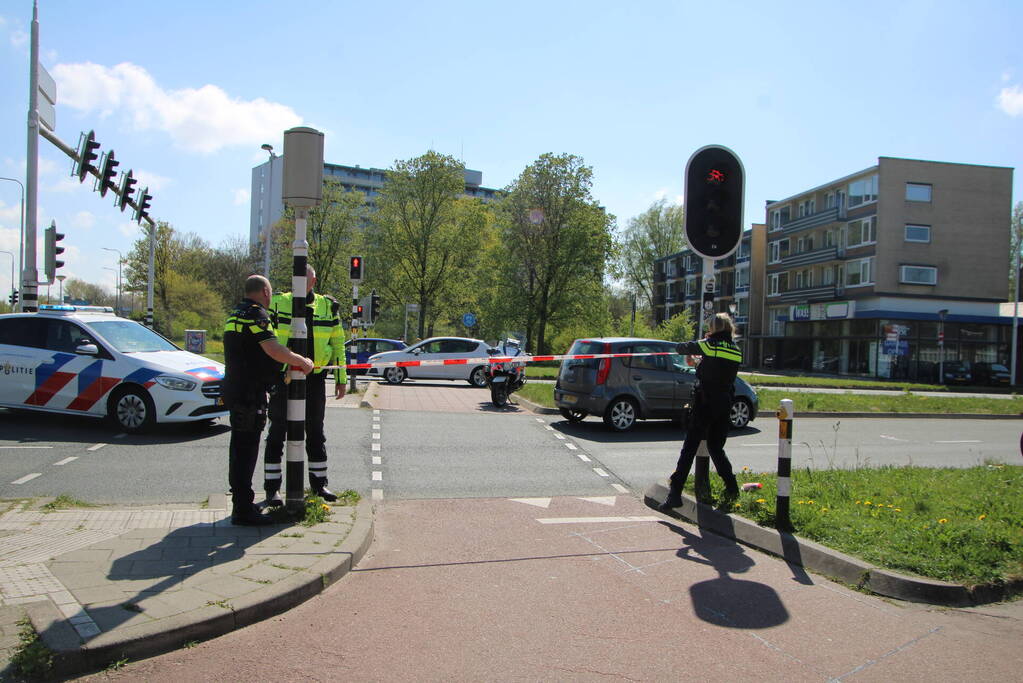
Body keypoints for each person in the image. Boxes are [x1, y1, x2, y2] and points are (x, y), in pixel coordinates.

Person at [223, 275, 313, 526]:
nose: (270, 297)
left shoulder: (235, 314)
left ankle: (241, 503)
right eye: (270, 292)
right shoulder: (256, 315)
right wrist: (301, 361)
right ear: (264, 291)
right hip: (250, 394)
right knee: (246, 451)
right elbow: (273, 348)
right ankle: (243, 510)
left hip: (236, 389)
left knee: (238, 449)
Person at [263, 265, 347, 505]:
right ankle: (272, 489)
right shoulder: (278, 302)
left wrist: (341, 380)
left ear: (314, 281)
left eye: (306, 279)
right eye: (297, 280)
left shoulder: (327, 306)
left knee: (316, 432)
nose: (301, 284)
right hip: (284, 376)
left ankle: (319, 485)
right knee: (277, 432)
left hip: (315, 378)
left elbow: (338, 342)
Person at [660, 312, 742, 510]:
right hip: (725, 403)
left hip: (705, 402)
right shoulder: (736, 349)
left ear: (713, 328)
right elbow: (716, 367)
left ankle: (675, 494)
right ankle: (732, 487)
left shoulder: (709, 344)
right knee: (716, 447)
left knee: (689, 448)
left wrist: (701, 343)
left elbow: (682, 348)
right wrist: (700, 361)